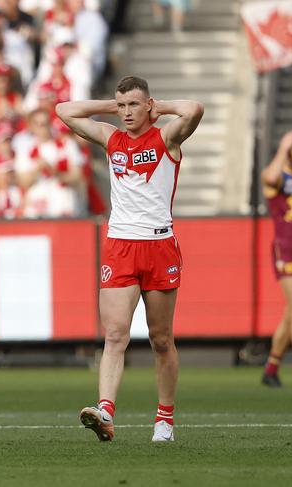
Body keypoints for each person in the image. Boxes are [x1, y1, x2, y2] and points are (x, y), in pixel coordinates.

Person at [56, 75, 203, 442]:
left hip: (159, 245)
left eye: (133, 105)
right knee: (115, 334)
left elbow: (194, 109)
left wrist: (155, 107)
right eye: (121, 106)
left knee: (160, 338)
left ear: (149, 105)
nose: (126, 113)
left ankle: (164, 419)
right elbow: (64, 111)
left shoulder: (167, 137)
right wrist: (112, 106)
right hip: (120, 245)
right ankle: (105, 410)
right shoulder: (111, 137)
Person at [261, 131, 292, 387]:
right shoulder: (280, 177)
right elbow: (269, 176)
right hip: (287, 250)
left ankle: (272, 367)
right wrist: (283, 145)